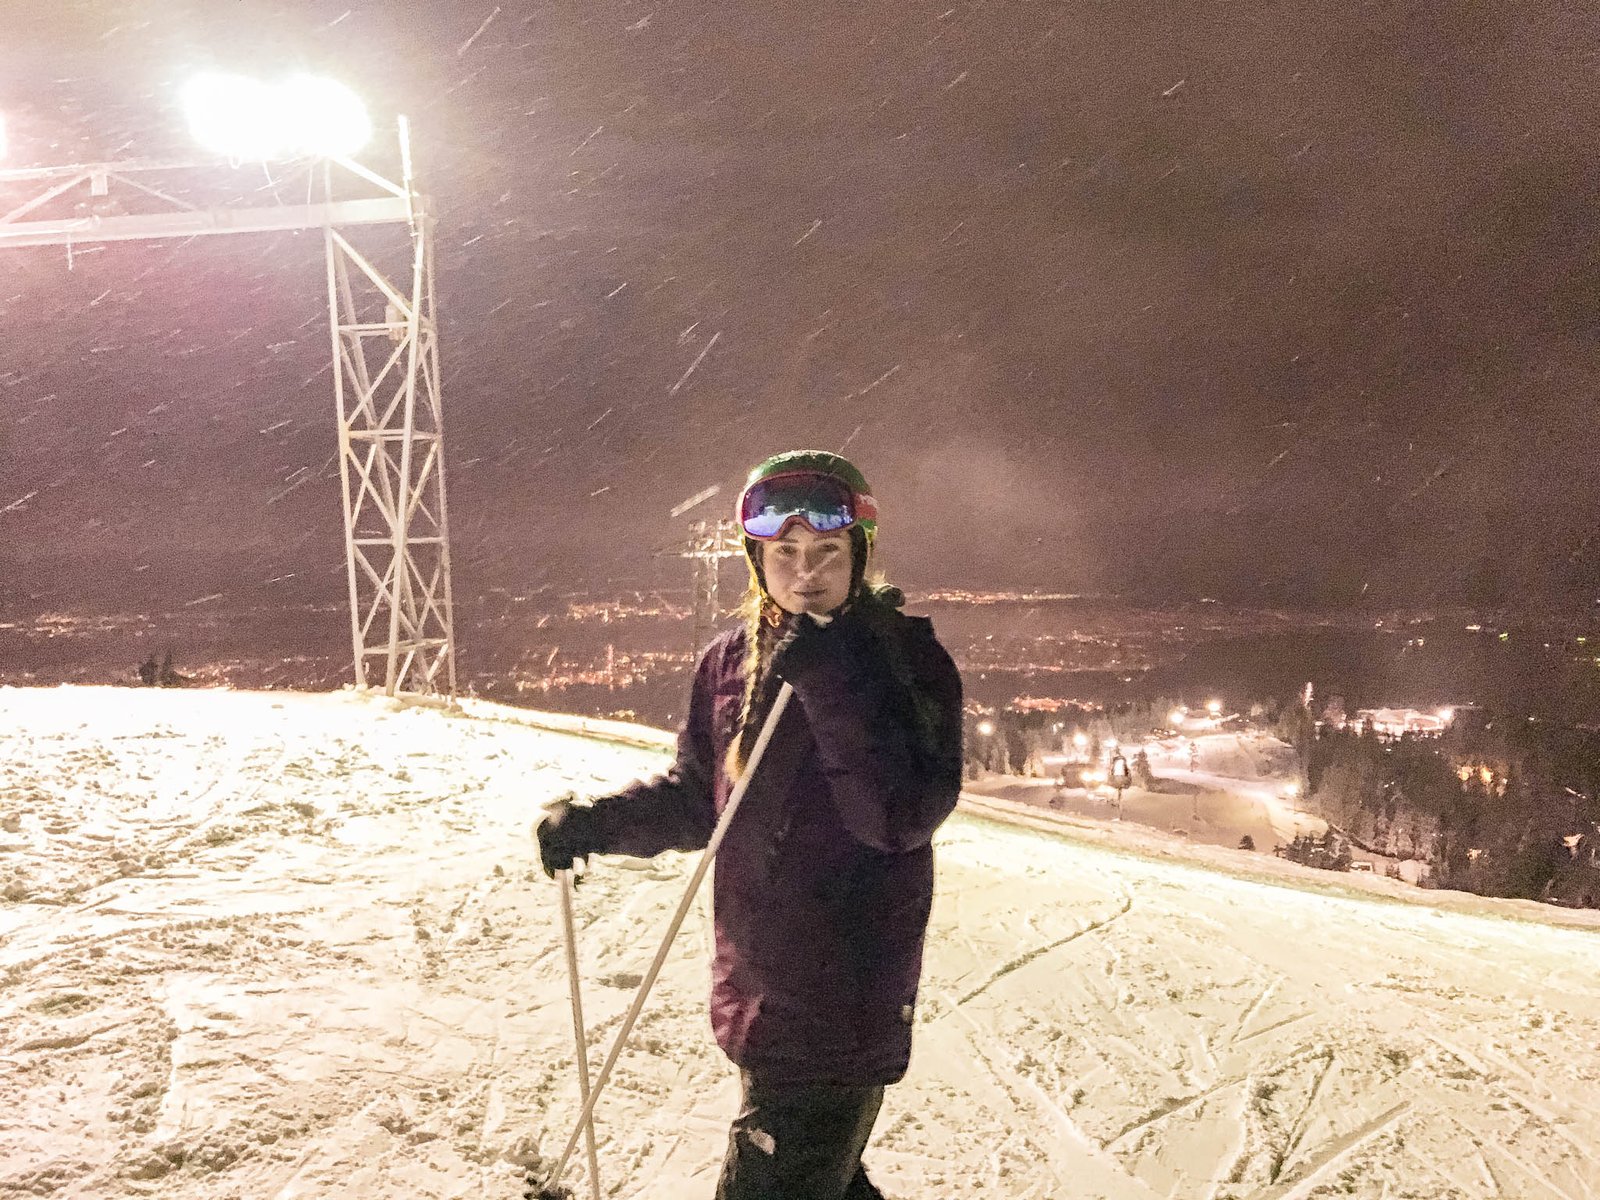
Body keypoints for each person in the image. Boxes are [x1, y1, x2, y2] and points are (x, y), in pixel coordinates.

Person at [537, 451, 963, 1200]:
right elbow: (705, 797)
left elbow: (896, 819)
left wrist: (831, 678)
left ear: (858, 556)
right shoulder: (730, 661)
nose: (806, 573)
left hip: (841, 1005)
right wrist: (594, 825)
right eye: (784, 554)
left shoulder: (904, 662)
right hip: (759, 991)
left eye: (827, 552)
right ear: (756, 559)